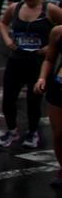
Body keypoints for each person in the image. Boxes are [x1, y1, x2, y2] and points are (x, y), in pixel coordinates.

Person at [0, 0, 62, 149]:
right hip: (16, 59)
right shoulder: (15, 7)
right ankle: (11, 130)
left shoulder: (50, 10)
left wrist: (50, 47)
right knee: (8, 98)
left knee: (34, 100)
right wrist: (7, 39)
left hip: (38, 62)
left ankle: (33, 131)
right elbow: (3, 23)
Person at [34, 24, 62, 188]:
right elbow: (49, 59)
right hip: (58, 88)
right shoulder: (58, 32)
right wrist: (42, 78)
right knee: (59, 134)